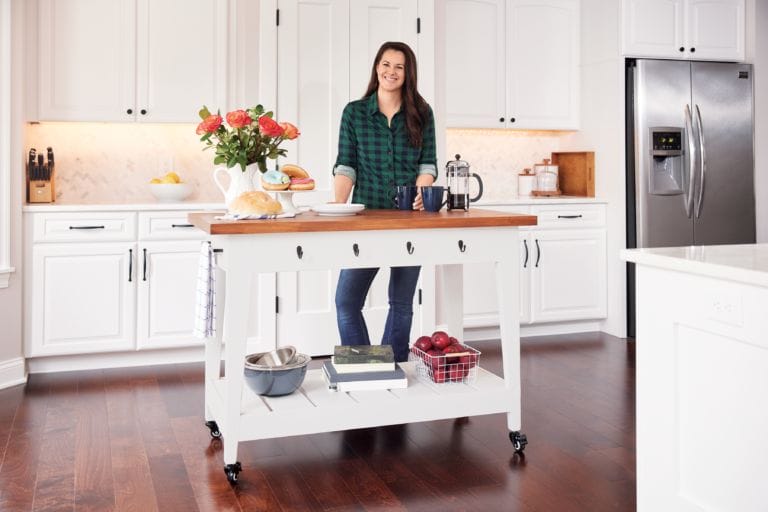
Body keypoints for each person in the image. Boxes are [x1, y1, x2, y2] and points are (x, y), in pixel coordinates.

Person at [332, 41, 437, 362]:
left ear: (408, 74)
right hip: (367, 219)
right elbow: (346, 165)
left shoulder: (422, 112)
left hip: (409, 220)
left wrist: (422, 192)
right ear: (377, 67)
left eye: (399, 67)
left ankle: (393, 365)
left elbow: (427, 164)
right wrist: (338, 205)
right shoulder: (355, 113)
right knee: (347, 301)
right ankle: (364, 366)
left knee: (402, 302)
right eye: (386, 64)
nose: (391, 72)